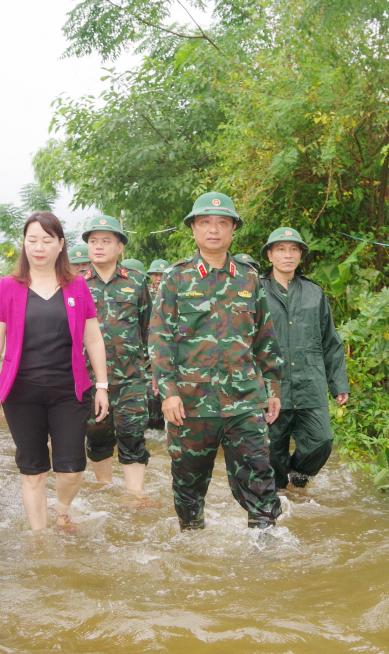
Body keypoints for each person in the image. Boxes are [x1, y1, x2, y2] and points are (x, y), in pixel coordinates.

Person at [149, 191, 284, 530]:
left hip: (245, 400)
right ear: (193, 229)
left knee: (261, 480)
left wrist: (273, 388)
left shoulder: (251, 278)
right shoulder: (175, 278)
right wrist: (168, 392)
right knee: (188, 487)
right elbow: (160, 340)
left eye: (222, 222)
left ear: (233, 230)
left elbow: (265, 337)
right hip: (191, 404)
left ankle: (267, 556)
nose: (214, 229)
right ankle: (192, 548)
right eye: (205, 222)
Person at [0, 212, 109, 532]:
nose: (39, 247)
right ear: (24, 244)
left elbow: (93, 338)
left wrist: (101, 386)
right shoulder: (8, 287)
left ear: (60, 245)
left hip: (69, 390)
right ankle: (39, 537)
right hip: (22, 392)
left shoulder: (77, 286)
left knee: (72, 468)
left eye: (47, 240)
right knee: (32, 470)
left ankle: (62, 508)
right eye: (32, 240)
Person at [260, 227, 349, 489]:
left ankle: (298, 478)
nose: (288, 255)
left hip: (310, 382)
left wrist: (338, 383)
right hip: (272, 384)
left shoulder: (314, 293)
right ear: (270, 255)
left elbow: (330, 341)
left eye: (294, 249)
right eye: (281, 249)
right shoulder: (255, 290)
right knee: (272, 445)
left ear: (301, 255)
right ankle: (278, 493)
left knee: (321, 440)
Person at [81, 216, 153, 493]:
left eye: (106, 241)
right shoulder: (75, 284)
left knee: (133, 434)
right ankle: (106, 489)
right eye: (93, 241)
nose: (98, 246)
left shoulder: (136, 281)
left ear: (120, 247)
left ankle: (135, 496)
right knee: (97, 436)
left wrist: (152, 373)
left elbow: (148, 328)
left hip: (131, 376)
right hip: (88, 377)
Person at [145, 258, 170, 430]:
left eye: (162, 274)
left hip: (169, 351)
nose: (158, 278)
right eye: (155, 274)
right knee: (151, 394)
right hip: (148, 353)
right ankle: (155, 428)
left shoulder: (174, 295)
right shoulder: (146, 295)